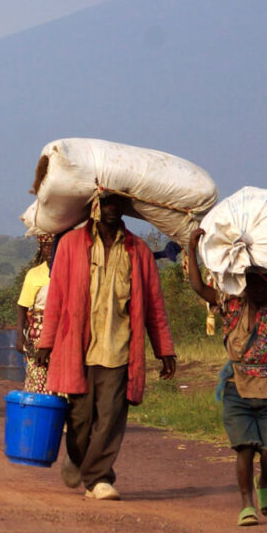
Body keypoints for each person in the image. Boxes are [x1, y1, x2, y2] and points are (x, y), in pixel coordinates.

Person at [36, 194, 177, 501]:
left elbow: (154, 304)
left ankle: (99, 478)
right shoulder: (71, 246)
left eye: (117, 205)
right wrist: (46, 342)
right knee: (80, 419)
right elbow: (57, 297)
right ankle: (77, 456)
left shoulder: (137, 250)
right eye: (107, 204)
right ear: (94, 208)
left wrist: (164, 349)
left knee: (111, 417)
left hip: (119, 348)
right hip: (78, 347)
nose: (112, 210)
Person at [187, 228, 267, 525]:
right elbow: (199, 287)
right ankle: (246, 505)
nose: (254, 287)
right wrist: (191, 249)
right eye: (248, 281)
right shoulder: (231, 303)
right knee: (245, 448)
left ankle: (265, 481)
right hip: (237, 385)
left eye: (260, 280)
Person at [15, 234, 56, 393]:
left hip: (63, 331)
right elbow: (22, 307)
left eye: (54, 246)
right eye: (46, 246)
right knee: (38, 373)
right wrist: (20, 336)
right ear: (41, 249)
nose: (50, 251)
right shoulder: (34, 274)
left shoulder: (69, 270)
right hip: (38, 331)